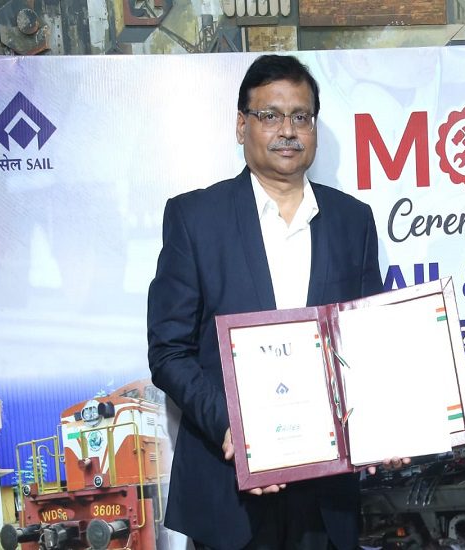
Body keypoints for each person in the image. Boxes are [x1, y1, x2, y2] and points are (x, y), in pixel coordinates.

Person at [148, 55, 388, 550]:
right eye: (270, 115)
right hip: (229, 489)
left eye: (301, 116)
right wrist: (231, 427)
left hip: (327, 493)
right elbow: (169, 351)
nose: (288, 131)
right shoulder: (195, 218)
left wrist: (389, 423)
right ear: (242, 126)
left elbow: (370, 343)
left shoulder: (353, 220)